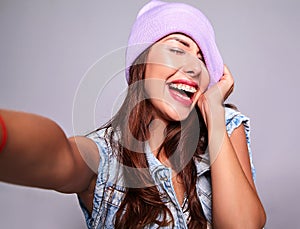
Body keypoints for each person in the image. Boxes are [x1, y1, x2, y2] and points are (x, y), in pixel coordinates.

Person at [0, 0, 266, 228]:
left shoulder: (224, 126)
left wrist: (215, 113)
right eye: (177, 49)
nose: (194, 67)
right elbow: (60, 155)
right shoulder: (105, 156)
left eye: (202, 59)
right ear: (143, 60)